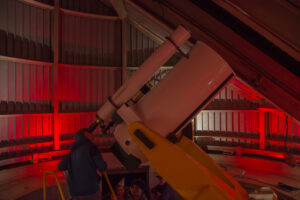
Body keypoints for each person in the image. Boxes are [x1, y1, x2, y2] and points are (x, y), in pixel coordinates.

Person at [58, 128, 108, 200]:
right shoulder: (91, 148)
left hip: (74, 192)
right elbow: (102, 167)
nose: (92, 135)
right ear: (86, 134)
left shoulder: (72, 150)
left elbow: (60, 166)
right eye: (90, 133)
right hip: (90, 190)